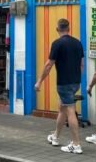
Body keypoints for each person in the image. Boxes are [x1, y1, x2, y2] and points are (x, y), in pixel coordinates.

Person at [35, 18, 85, 154]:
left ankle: (76, 144)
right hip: (75, 82)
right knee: (62, 109)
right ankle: (56, 137)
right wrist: (77, 78)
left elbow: (48, 65)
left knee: (69, 110)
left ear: (57, 29)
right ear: (69, 28)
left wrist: (39, 81)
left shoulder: (57, 44)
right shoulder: (78, 43)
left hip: (64, 83)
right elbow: (82, 64)